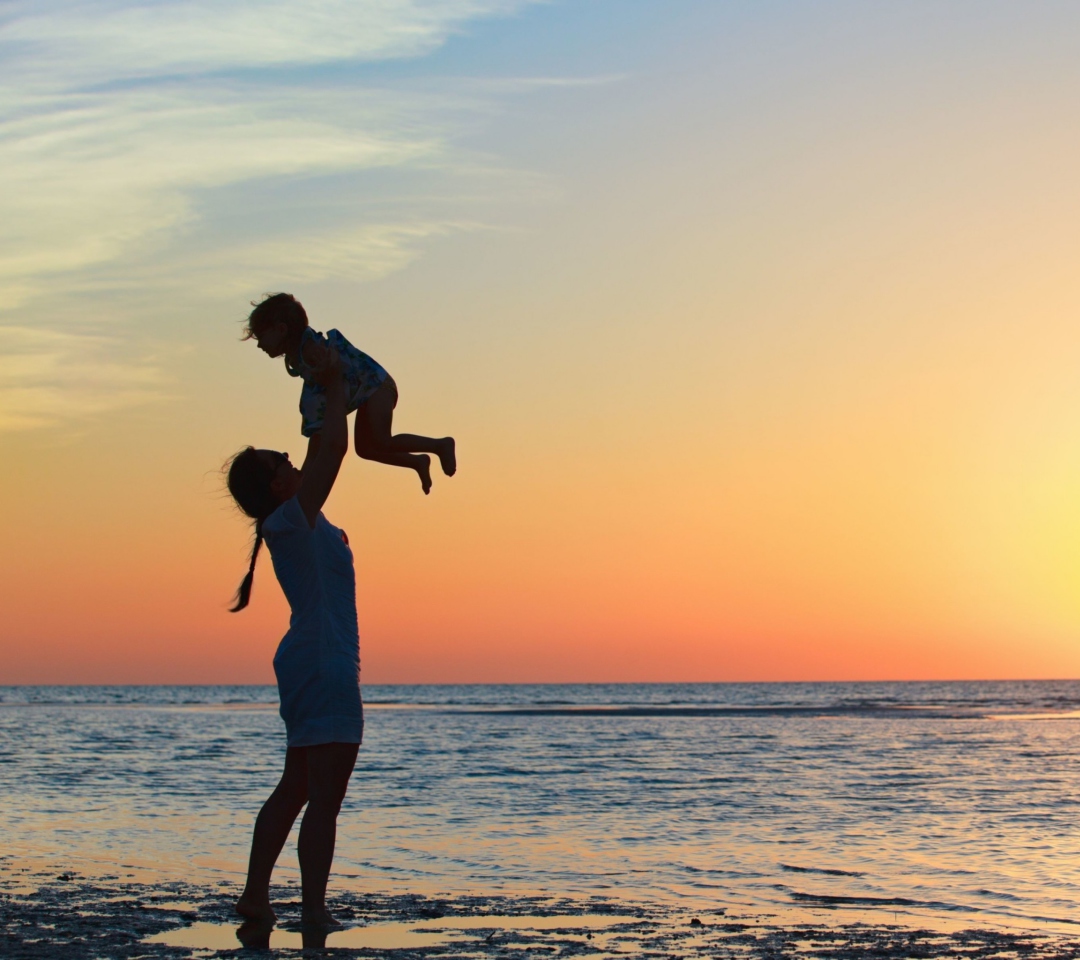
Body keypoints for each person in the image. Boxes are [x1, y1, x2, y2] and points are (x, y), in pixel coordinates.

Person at [226, 348, 360, 929]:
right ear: (278, 483)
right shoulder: (291, 516)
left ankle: (258, 896)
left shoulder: (293, 519)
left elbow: (320, 450)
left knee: (299, 785)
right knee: (321, 796)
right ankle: (312, 911)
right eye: (282, 457)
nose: (290, 454)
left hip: (312, 661)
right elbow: (331, 449)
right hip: (323, 664)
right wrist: (333, 385)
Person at [244, 292, 456, 495]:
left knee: (381, 440)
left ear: (281, 329)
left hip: (376, 385)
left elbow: (325, 389)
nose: (260, 344)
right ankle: (417, 461)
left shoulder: (311, 351)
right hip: (366, 391)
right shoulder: (298, 355)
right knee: (365, 449)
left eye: (261, 336)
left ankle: (439, 445)